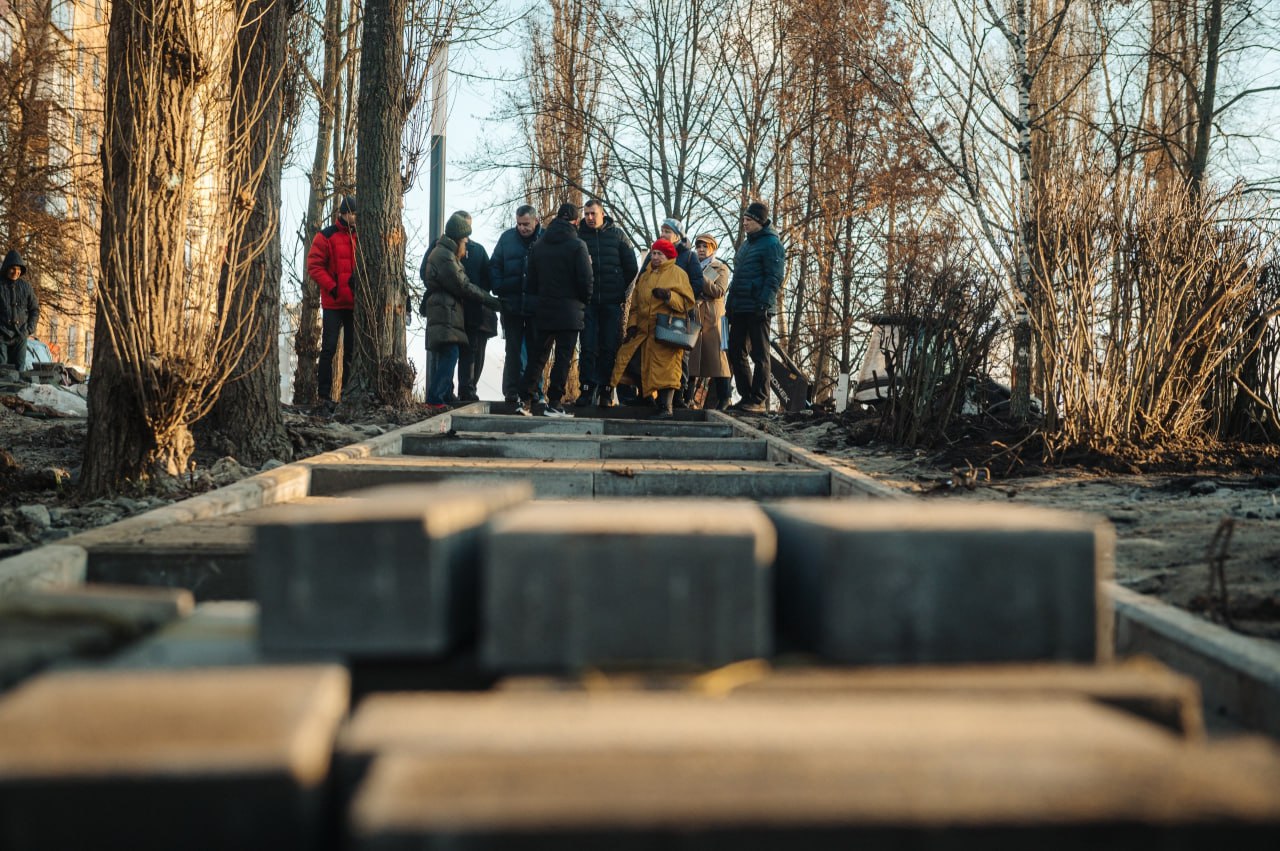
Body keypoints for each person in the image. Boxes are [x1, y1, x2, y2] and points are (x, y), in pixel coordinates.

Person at [516, 203, 592, 417]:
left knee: (537, 357)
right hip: (570, 311)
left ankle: (524, 400)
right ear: (576, 221)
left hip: (544, 309)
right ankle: (555, 402)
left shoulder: (539, 245)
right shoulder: (578, 245)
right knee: (563, 358)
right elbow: (586, 280)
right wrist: (583, 302)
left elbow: (531, 282)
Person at [422, 211, 502, 411]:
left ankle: (443, 395)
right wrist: (493, 302)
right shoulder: (445, 257)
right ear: (458, 237)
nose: (467, 243)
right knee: (450, 353)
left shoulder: (445, 253)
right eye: (465, 239)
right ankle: (435, 397)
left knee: (452, 352)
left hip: (448, 309)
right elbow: (463, 285)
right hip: (445, 310)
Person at [607, 239, 696, 419]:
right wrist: (632, 325)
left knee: (666, 369)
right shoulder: (645, 276)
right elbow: (635, 305)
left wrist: (668, 296)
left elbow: (687, 303)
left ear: (668, 256)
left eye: (659, 254)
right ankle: (645, 397)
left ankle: (666, 407)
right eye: (653, 253)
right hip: (643, 332)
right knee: (634, 362)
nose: (655, 257)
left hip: (666, 332)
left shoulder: (678, 274)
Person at [575, 198, 638, 408]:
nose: (589, 218)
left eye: (593, 213)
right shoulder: (579, 236)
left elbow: (631, 267)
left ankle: (606, 390)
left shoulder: (617, 235)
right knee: (588, 347)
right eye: (586, 214)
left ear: (602, 214)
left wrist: (619, 288)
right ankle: (586, 389)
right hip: (588, 302)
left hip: (611, 302)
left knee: (610, 347)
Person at [725, 201, 785, 414]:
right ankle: (746, 396)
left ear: (759, 221)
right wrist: (730, 305)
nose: (745, 223)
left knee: (760, 354)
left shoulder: (772, 244)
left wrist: (764, 303)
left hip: (758, 308)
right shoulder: (746, 245)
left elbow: (774, 276)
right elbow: (737, 278)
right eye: (744, 219)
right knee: (735, 351)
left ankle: (759, 399)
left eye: (748, 219)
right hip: (740, 307)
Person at [306, 195, 357, 412]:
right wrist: (332, 286)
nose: (356, 218)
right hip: (333, 303)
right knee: (328, 348)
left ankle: (347, 394)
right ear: (344, 213)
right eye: (353, 214)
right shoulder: (326, 235)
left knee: (351, 351)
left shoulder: (362, 236)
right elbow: (314, 265)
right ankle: (324, 394)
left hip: (354, 304)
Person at [489, 205, 542, 403]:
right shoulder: (507, 238)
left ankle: (533, 391)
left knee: (536, 351)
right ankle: (511, 391)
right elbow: (495, 265)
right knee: (512, 351)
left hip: (536, 306)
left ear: (535, 221)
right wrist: (499, 287)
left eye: (526, 224)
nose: (522, 228)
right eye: (519, 224)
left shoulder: (544, 238)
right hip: (512, 305)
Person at [658, 218, 705, 407]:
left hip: (681, 314)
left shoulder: (689, 257)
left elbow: (697, 284)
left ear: (678, 236)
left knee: (680, 356)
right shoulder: (656, 254)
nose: (663, 234)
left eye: (667, 231)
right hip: (658, 313)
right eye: (662, 230)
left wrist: (678, 299)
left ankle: (679, 395)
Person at [689, 233, 733, 410]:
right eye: (698, 246)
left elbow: (719, 291)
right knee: (691, 358)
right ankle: (687, 398)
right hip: (695, 315)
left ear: (713, 249)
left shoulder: (720, 268)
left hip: (715, 319)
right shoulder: (691, 267)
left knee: (719, 360)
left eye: (705, 246)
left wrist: (700, 278)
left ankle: (724, 398)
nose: (701, 249)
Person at [0, 250, 39, 370]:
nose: (16, 272)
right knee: (2, 370)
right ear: (7, 268)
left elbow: (34, 310)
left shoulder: (26, 287)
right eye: (13, 268)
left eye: (18, 269)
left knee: (19, 370)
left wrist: (29, 329)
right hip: (1, 335)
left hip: (20, 335)